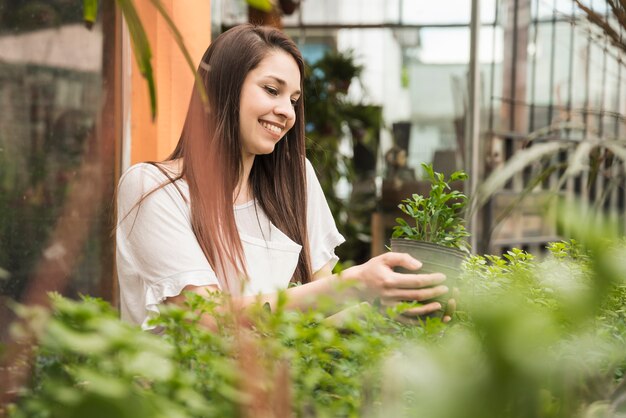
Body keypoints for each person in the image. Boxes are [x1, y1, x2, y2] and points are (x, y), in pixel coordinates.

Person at [115, 24, 451, 330]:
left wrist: (390, 307)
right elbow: (206, 320)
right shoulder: (154, 189)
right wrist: (351, 284)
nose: (287, 112)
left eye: (293, 100)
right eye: (271, 90)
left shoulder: (295, 181)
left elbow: (327, 315)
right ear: (222, 88)